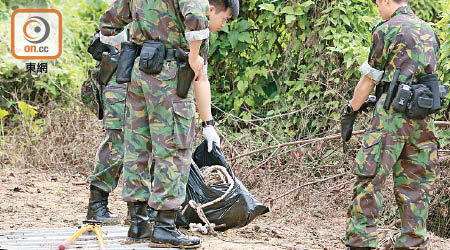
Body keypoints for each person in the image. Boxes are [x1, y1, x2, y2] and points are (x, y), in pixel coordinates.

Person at [98, 0, 239, 247]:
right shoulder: (197, 10)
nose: (223, 25)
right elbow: (196, 17)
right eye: (225, 19)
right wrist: (193, 56)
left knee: (137, 149)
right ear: (213, 8)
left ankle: (138, 223)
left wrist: (135, 48)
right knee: (174, 150)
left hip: (138, 71)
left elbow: (109, 22)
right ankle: (164, 226)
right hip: (169, 75)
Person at [340, 0, 441, 249]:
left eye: (377, 5)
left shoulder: (386, 29)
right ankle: (413, 241)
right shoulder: (429, 30)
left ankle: (361, 240)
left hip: (392, 117)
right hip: (423, 115)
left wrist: (351, 109)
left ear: (386, 1)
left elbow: (369, 79)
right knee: (417, 181)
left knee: (371, 175)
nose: (378, 10)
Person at [85, 29, 128, 225]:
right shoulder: (128, 8)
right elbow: (109, 31)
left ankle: (140, 211)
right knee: (117, 144)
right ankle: (97, 204)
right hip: (118, 80)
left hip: (139, 80)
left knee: (145, 146)